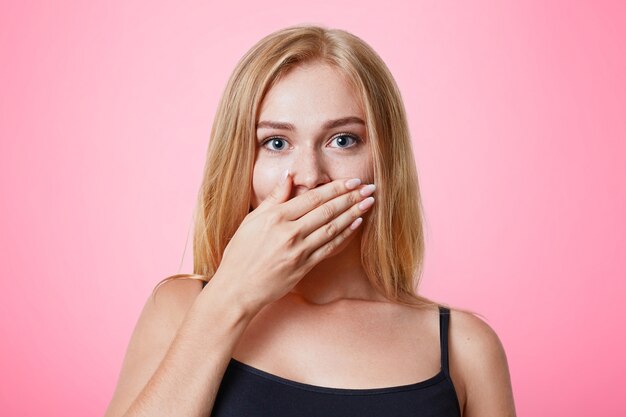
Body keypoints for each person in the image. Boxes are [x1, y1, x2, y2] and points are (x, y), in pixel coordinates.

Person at [104, 25, 516, 417]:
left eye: (343, 140)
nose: (309, 175)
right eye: (276, 143)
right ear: (241, 165)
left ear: (384, 162)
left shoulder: (466, 350)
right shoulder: (180, 311)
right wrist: (228, 298)